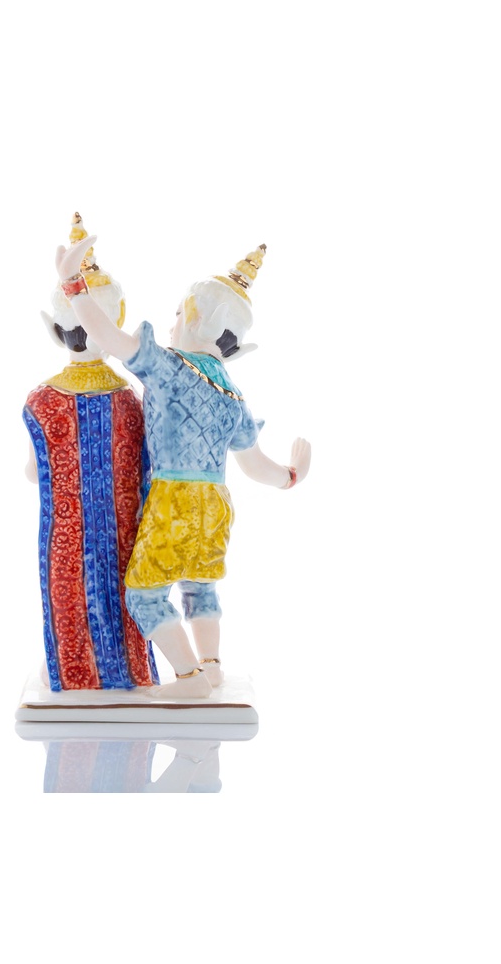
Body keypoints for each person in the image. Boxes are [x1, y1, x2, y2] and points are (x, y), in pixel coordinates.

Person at [58, 233, 311, 698]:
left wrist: (73, 285)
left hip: (173, 500)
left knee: (144, 594)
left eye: (177, 314)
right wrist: (291, 476)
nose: (173, 323)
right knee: (200, 585)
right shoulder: (233, 395)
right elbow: (256, 466)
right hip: (216, 504)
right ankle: (212, 667)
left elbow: (108, 337)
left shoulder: (168, 367)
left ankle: (189, 677)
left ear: (193, 315)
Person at [23, 215, 158, 691]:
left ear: (53, 329)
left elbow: (35, 471)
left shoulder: (42, 402)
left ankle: (76, 675)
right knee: (125, 597)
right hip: (123, 529)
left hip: (67, 532)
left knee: (69, 595)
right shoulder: (130, 399)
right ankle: (125, 674)